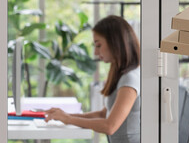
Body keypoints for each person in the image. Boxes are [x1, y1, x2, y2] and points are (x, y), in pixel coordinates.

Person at [45, 15, 140, 143]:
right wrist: (64, 116)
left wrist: (68, 119)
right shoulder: (120, 74)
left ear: (115, 42)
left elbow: (110, 126)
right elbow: (103, 114)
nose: (95, 52)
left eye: (99, 45)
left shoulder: (130, 79)